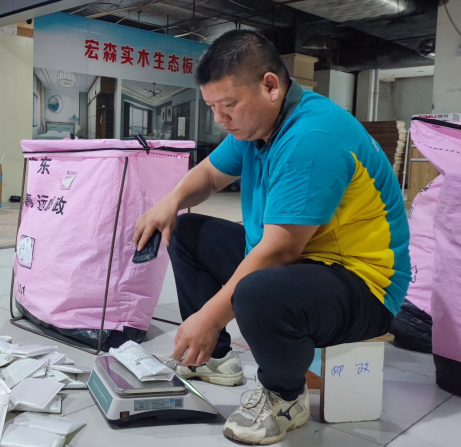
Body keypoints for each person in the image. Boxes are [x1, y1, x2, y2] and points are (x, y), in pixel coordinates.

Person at [134, 30, 410, 445]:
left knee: (258, 291)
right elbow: (209, 174)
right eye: (212, 107)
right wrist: (170, 202)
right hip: (305, 263)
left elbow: (280, 251)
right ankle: (215, 359)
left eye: (229, 105)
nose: (220, 119)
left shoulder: (311, 137)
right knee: (187, 230)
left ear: (270, 85)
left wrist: (208, 318)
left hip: (364, 283)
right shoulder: (256, 129)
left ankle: (284, 396)